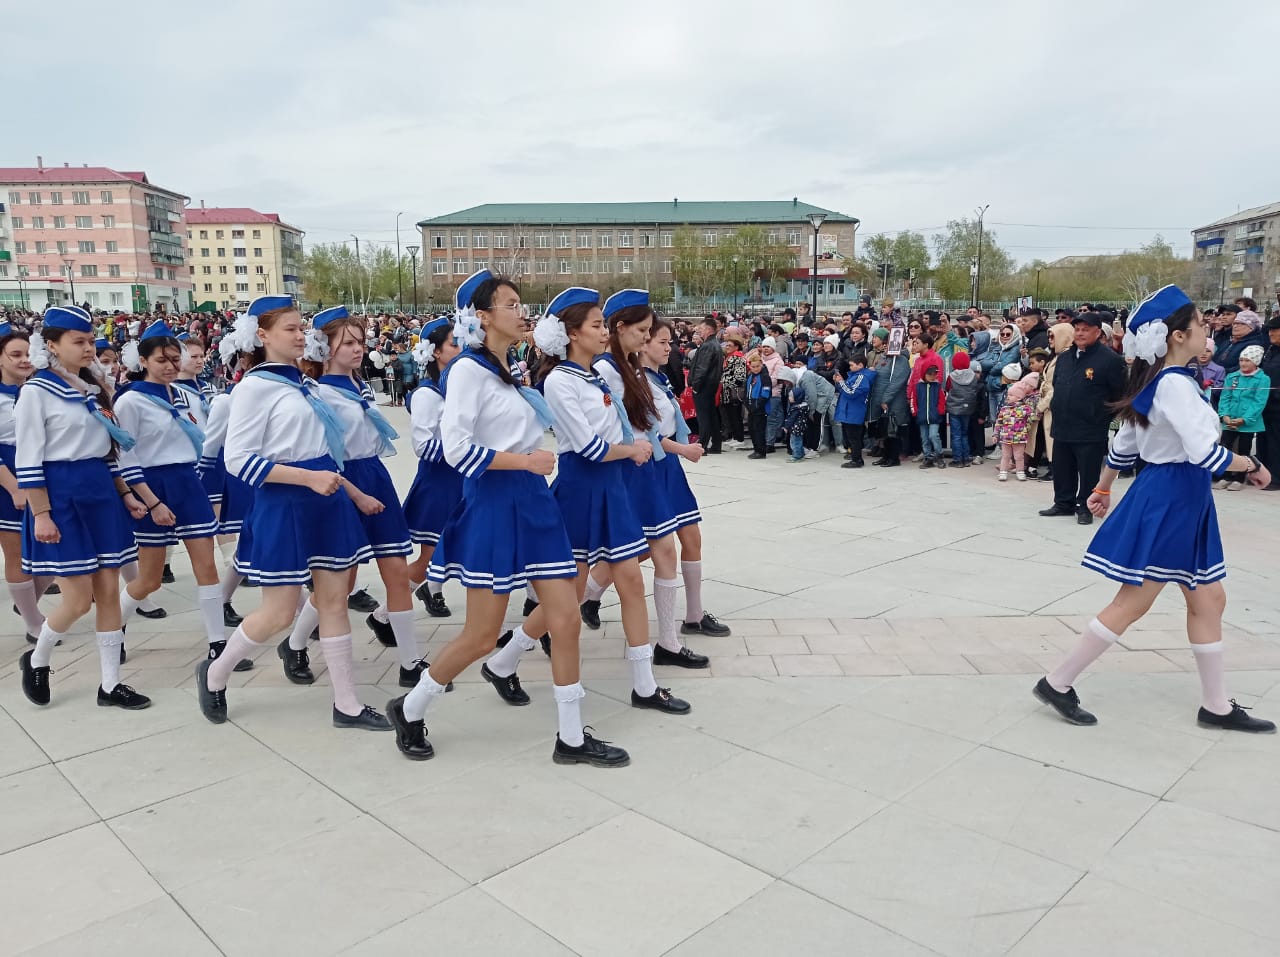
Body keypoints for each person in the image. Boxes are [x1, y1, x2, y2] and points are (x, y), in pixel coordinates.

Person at [1034, 285, 1275, 734]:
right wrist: (1253, 465)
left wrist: (1104, 487)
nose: (1208, 330)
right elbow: (1206, 455)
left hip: (1174, 495)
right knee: (1134, 602)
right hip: (1174, 497)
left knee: (1209, 599)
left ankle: (1216, 705)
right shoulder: (1175, 385)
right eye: (1200, 323)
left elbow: (1125, 445)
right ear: (1178, 336)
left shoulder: (1160, 381)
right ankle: (1057, 681)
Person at [195, 296, 390, 732]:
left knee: (334, 602)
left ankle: (347, 704)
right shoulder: (253, 388)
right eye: (290, 328)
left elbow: (325, 454)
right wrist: (307, 479)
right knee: (279, 614)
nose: (301, 335)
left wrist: (354, 493)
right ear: (262, 335)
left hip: (327, 501)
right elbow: (238, 460)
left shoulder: (307, 384)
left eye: (302, 327)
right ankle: (215, 673)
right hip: (284, 503)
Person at [287, 306, 431, 690]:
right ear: (324, 347)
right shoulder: (317, 393)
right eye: (347, 342)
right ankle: (295, 644)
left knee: (396, 572)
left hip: (375, 477)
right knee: (341, 583)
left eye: (360, 342)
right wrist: (352, 492)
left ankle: (410, 662)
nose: (357, 349)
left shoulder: (361, 386)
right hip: (341, 483)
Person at [17, 306, 152, 710]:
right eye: (79, 342)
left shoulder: (92, 388)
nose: (88, 348)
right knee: (77, 600)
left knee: (109, 592)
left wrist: (125, 493)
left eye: (91, 341)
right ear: (52, 345)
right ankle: (38, 659)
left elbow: (106, 452)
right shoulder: (37, 392)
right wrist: (41, 513)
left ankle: (110, 684)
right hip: (61, 495)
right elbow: (28, 459)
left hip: (99, 492)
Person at [113, 322, 248, 670]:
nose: (171, 366)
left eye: (175, 359)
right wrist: (152, 502)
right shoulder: (130, 400)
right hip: (151, 486)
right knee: (149, 579)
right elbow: (126, 455)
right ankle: (115, 628)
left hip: (188, 482)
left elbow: (203, 440)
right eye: (162, 360)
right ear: (143, 361)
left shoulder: (186, 397)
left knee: (207, 567)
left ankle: (218, 644)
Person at [401, 317, 463, 615]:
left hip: (460, 479)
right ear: (436, 352)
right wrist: (464, 451)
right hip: (439, 483)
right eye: (454, 344)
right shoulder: (427, 394)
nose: (461, 349)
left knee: (451, 552)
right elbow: (423, 446)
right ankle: (385, 613)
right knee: (432, 556)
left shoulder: (457, 388)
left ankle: (431, 589)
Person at [1040, 312, 1127, 525]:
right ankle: (1063, 502)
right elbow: (1058, 384)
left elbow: (1119, 394)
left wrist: (1100, 415)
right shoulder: (1064, 358)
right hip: (1063, 423)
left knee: (1088, 471)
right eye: (1077, 329)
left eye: (1085, 330)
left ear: (1097, 333)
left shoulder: (1110, 360)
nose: (1080, 333)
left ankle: (1086, 506)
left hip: (1090, 427)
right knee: (1062, 467)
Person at [0, 323, 52, 644]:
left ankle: (26, 603)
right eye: (15, 354)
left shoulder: (37, 391)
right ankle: (34, 623)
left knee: (51, 549)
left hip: (40, 473)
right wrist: (13, 487)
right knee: (17, 553)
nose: (24, 360)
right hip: (8, 478)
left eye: (27, 354)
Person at [1214, 345, 1270, 491]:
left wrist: (1244, 419)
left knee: (1243, 449)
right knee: (1226, 447)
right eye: (1241, 360)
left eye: (1247, 360)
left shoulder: (1263, 379)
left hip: (1247, 423)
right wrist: (1224, 415)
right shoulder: (1232, 377)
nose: (1243, 363)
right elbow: (1225, 397)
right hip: (1229, 420)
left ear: (1255, 362)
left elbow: (1259, 402)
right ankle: (1225, 476)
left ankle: (1239, 478)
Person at [994, 363, 1039, 481]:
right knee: (1005, 456)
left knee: (1019, 456)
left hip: (1019, 437)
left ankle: (1020, 471)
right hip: (1006, 437)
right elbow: (999, 422)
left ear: (1019, 397)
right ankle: (1003, 472)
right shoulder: (1004, 409)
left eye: (1011, 395)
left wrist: (1026, 429)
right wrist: (995, 434)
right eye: (1008, 395)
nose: (1007, 397)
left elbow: (1032, 418)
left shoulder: (1025, 409)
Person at [688, 316, 723, 454]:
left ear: (709, 330)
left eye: (701, 329)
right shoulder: (715, 344)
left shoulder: (708, 346)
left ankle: (702, 444)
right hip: (710, 384)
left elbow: (702, 367)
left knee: (703, 416)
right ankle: (716, 444)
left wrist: (696, 385)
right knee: (711, 415)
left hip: (704, 385)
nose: (699, 331)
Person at [834, 353, 874, 468]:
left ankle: (857, 460)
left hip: (854, 411)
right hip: (848, 410)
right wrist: (839, 382)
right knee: (849, 437)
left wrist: (841, 382)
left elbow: (851, 392)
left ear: (860, 365)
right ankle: (854, 457)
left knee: (854, 437)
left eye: (852, 365)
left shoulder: (861, 377)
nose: (850, 367)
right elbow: (844, 390)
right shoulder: (854, 376)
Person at [945, 351, 979, 468]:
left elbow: (947, 388)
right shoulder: (973, 376)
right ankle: (966, 458)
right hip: (968, 408)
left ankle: (957, 460)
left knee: (956, 435)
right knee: (964, 433)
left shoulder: (951, 376)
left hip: (954, 408)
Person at [1259, 316, 1280, 489]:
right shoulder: (1271, 350)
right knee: (1264, 440)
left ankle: (1276, 477)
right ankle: (1263, 474)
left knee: (1276, 443)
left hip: (1277, 404)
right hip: (1264, 403)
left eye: (1274, 330)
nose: (1270, 333)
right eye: (1269, 330)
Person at [744, 350, 772, 460]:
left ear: (761, 365)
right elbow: (746, 391)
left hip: (760, 408)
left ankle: (761, 451)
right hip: (751, 406)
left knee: (759, 430)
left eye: (757, 366)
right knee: (752, 429)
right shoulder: (750, 376)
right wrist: (747, 403)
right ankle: (756, 449)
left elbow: (766, 393)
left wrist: (756, 405)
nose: (755, 369)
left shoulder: (764, 376)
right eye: (753, 367)